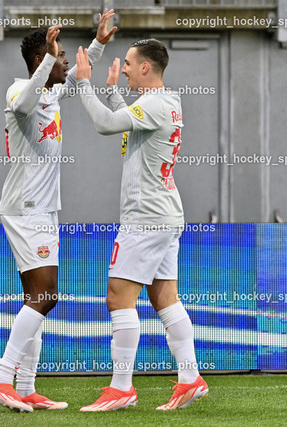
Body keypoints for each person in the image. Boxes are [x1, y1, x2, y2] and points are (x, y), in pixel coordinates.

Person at [0, 11, 118, 412]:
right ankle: (2, 379)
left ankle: (25, 387)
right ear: (41, 60)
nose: (65, 63)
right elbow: (25, 103)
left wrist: (99, 44)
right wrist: (47, 59)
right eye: (59, 57)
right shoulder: (19, 91)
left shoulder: (52, 92)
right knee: (45, 296)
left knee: (36, 298)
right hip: (26, 209)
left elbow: (76, 76)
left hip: (43, 210)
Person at [74, 39, 208, 412]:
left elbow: (106, 125)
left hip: (145, 218)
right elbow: (129, 121)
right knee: (164, 297)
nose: (126, 70)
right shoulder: (166, 101)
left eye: (130, 64)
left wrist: (84, 83)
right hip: (165, 214)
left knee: (118, 297)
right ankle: (190, 378)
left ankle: (121, 388)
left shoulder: (153, 104)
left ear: (146, 67)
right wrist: (112, 92)